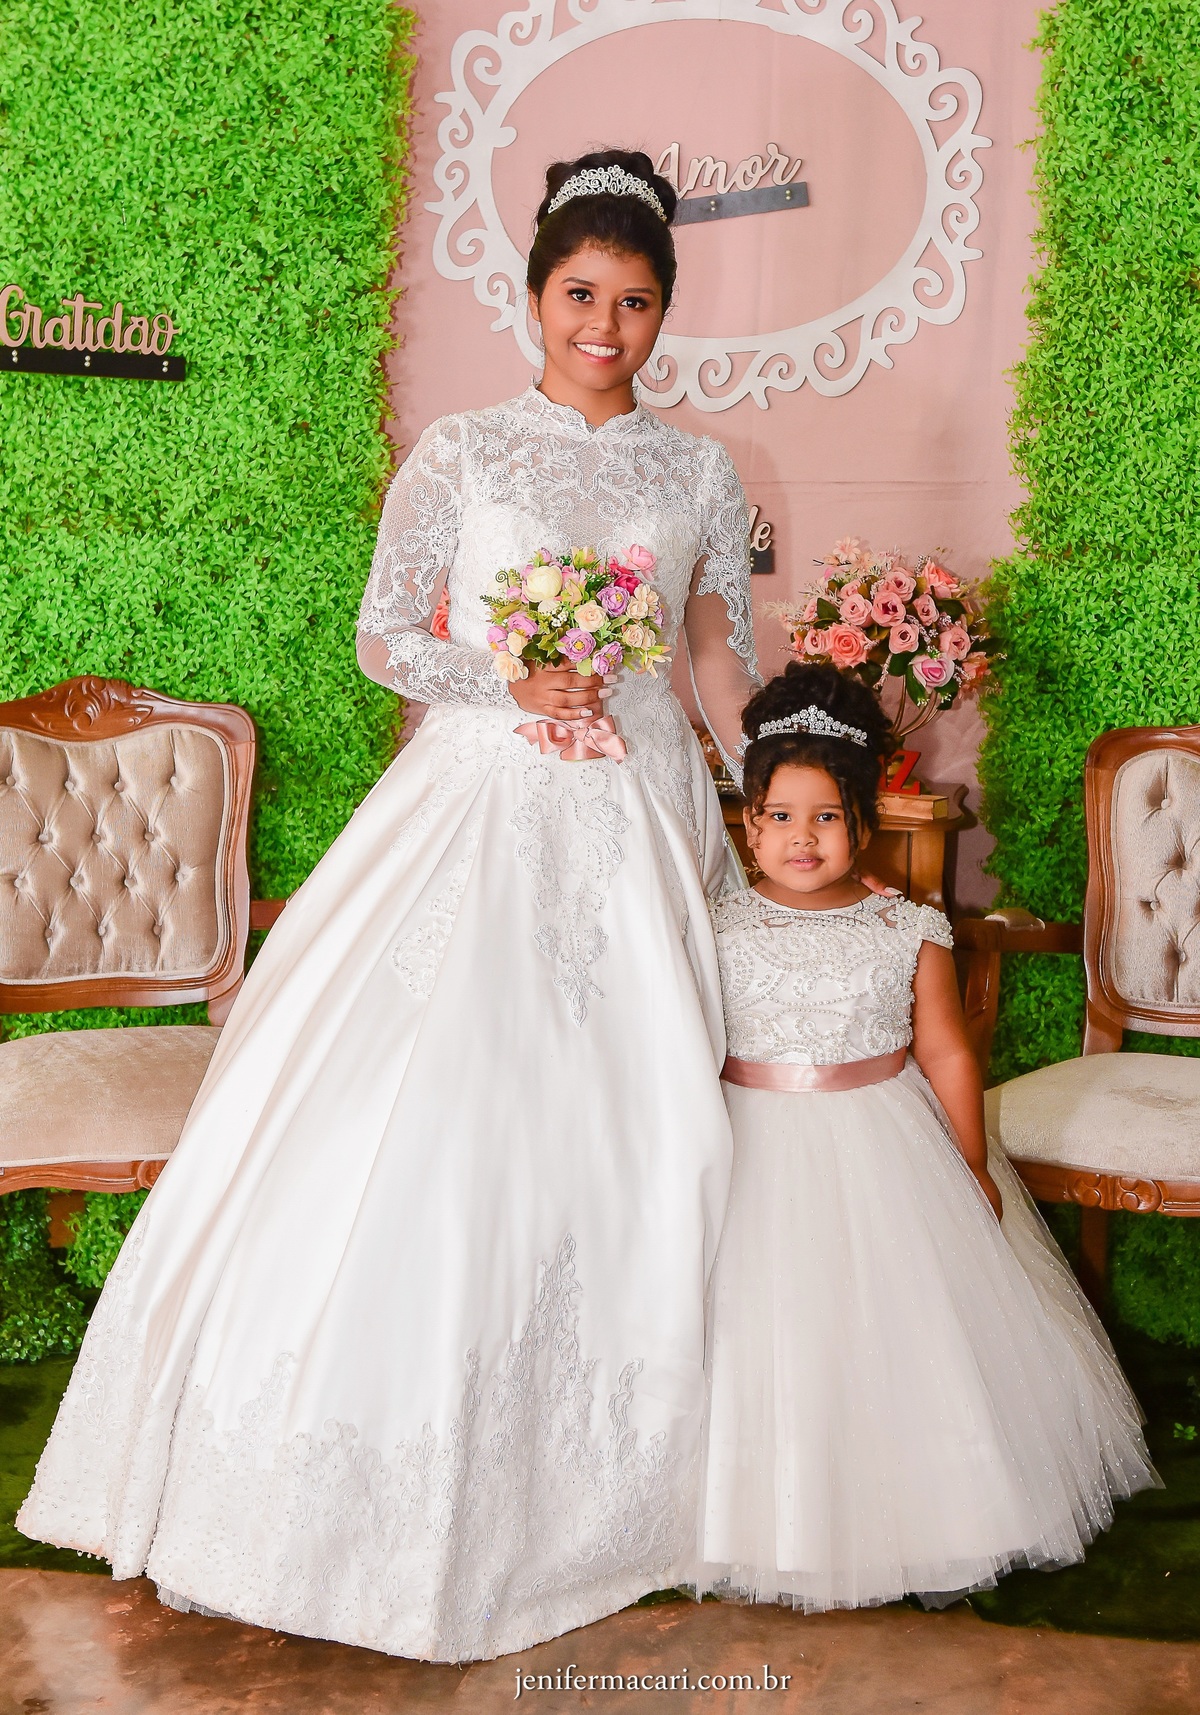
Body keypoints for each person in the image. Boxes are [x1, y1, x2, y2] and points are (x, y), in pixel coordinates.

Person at [18, 149, 759, 1661]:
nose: (604, 325)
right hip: (482, 807)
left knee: (655, 1123)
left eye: (633, 300)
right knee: (447, 1111)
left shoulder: (701, 471)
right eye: (579, 294)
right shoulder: (463, 452)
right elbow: (382, 637)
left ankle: (647, 1473)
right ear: (532, 296)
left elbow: (712, 657)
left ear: (666, 308)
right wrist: (509, 675)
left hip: (645, 813)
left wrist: (788, 770)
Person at [693, 661, 1156, 1612]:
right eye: (779, 816)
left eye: (827, 816)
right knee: (760, 1333)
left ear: (864, 821)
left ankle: (921, 1516)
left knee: (895, 1332)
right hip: (749, 1148)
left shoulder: (907, 928)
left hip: (883, 1145)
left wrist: (970, 1163)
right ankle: (754, 1520)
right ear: (749, 824)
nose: (802, 837)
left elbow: (945, 1050)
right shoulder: (714, 923)